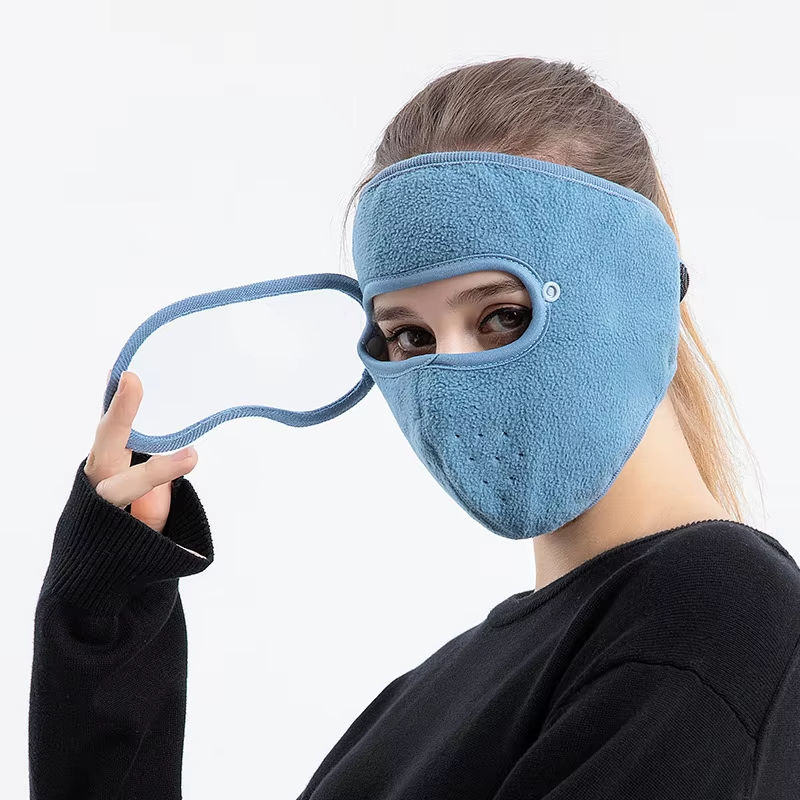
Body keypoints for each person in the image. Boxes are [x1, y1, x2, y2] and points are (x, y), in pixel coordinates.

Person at [29, 56, 800, 799]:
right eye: (408, 336)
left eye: (502, 316)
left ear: (646, 290)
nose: (448, 374)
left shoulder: (712, 613)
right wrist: (107, 612)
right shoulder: (430, 699)